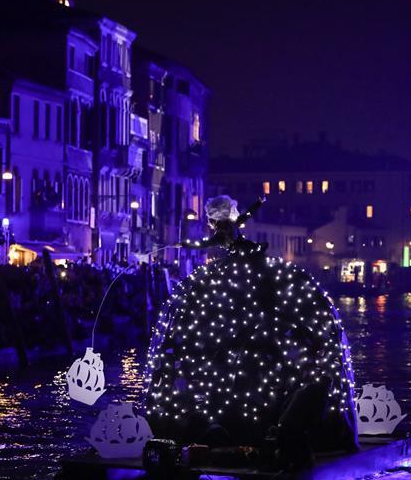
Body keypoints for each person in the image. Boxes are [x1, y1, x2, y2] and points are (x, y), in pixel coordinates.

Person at [144, 195, 358, 457]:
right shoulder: (220, 240)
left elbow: (237, 220)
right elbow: (202, 243)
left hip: (250, 268)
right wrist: (180, 243)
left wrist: (259, 201)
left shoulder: (234, 230)